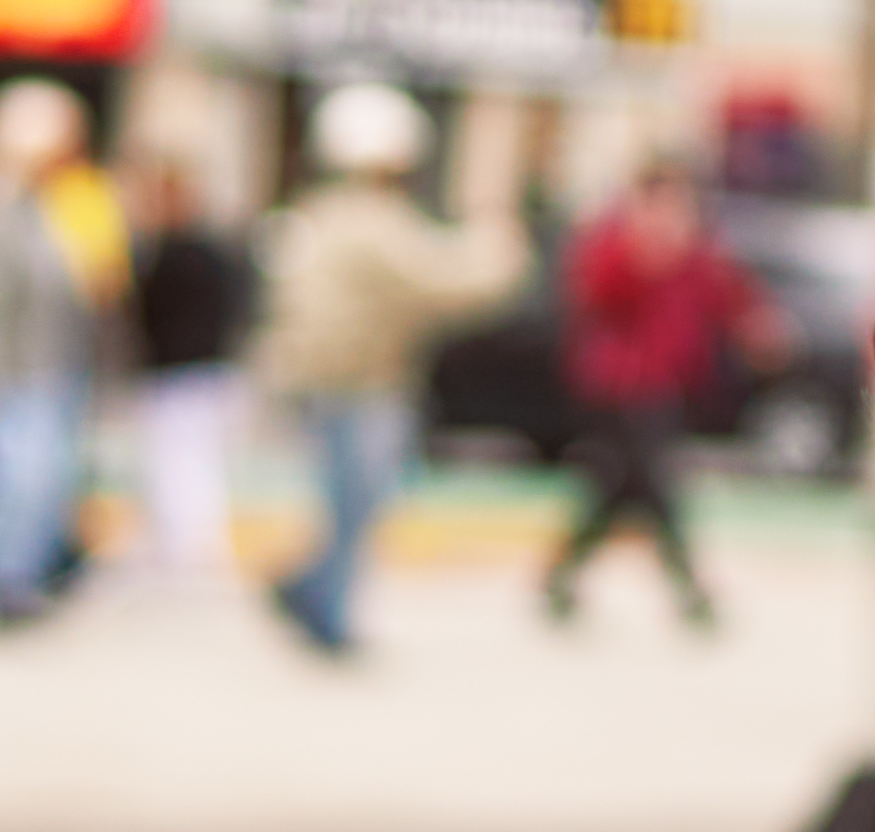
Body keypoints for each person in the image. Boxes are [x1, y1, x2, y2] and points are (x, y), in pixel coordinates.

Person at [249, 84, 519, 659]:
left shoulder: (318, 214)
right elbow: (449, 282)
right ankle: (326, 610)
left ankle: (312, 593)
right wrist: (499, 248)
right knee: (358, 504)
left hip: (327, 383)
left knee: (346, 502)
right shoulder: (376, 223)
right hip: (364, 386)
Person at [0, 78, 122, 625]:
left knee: (38, 480)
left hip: (55, 366)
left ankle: (19, 574)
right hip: (15, 371)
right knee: (14, 478)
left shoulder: (55, 205)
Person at [539, 139, 751, 634]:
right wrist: (643, 251)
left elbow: (721, 290)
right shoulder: (616, 236)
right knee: (657, 486)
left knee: (617, 488)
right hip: (621, 383)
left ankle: (562, 576)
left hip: (668, 379)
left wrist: (752, 324)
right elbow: (592, 294)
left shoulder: (691, 243)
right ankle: (691, 591)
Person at [118, 148, 262, 589]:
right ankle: (184, 542)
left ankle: (190, 545)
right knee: (185, 461)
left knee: (185, 461)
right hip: (195, 370)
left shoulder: (182, 251)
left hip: (186, 371)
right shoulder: (199, 247)